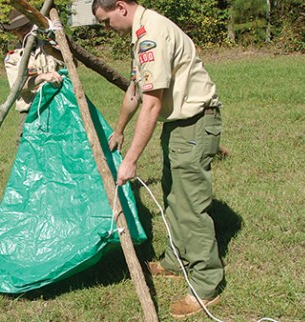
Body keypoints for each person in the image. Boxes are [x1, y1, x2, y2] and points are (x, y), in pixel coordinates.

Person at [92, 1, 225, 318]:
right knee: (173, 195)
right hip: (179, 124)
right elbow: (136, 90)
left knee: (190, 204)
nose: (106, 28)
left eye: (105, 21)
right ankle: (174, 260)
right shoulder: (140, 34)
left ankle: (206, 286)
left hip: (194, 122)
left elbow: (152, 103)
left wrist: (131, 160)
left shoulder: (153, 32)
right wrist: (121, 129)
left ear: (120, 7)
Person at [3, 9, 65, 143]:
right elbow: (19, 86)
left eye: (27, 26)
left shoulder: (48, 46)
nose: (25, 31)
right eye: (20, 30)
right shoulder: (13, 57)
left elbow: (72, 64)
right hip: (30, 111)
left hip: (55, 107)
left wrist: (53, 52)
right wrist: (42, 77)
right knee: (28, 154)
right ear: (14, 32)